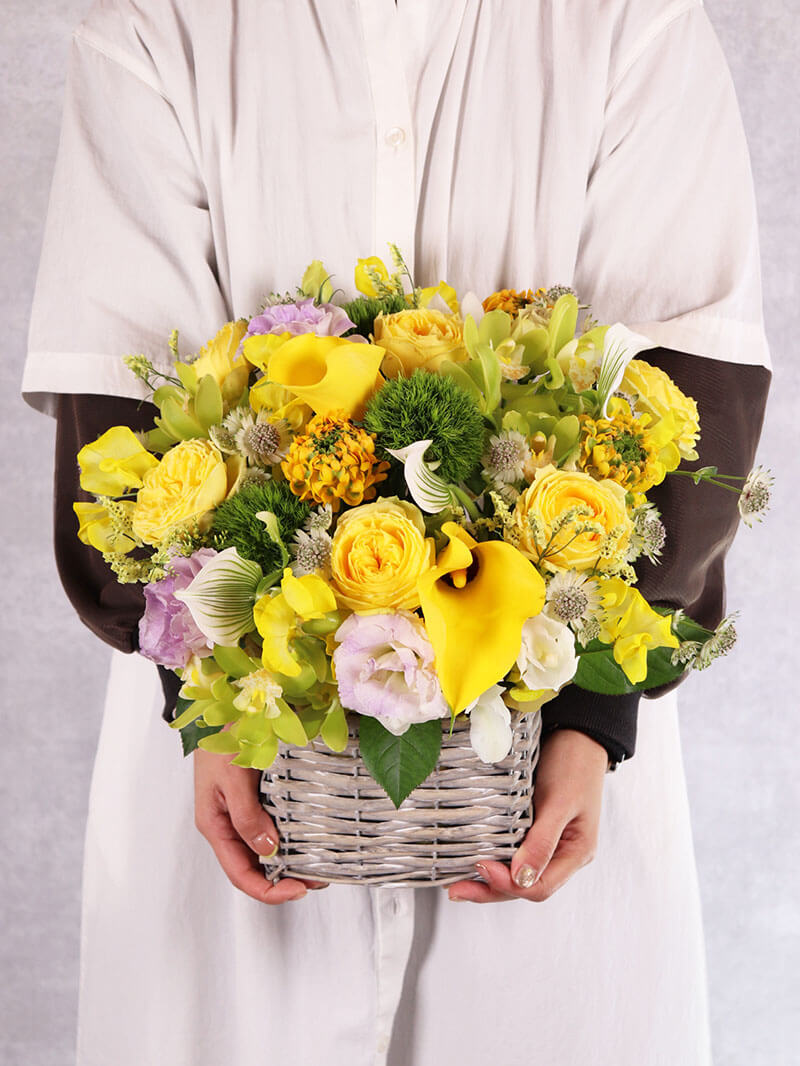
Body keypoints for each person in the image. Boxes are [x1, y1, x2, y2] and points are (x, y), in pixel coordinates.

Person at [22, 1, 771, 1063]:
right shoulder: (158, 26)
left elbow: (692, 384)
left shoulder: (629, 23)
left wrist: (594, 713)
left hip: (546, 765)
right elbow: (122, 400)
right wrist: (201, 704)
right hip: (242, 772)